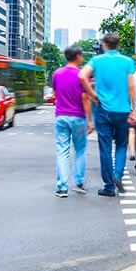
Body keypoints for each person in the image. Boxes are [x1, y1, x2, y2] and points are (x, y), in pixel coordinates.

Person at [79, 33, 136, 197]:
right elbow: (132, 87)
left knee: (105, 148)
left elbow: (82, 76)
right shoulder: (127, 61)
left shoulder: (97, 61)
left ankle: (109, 186)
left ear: (104, 44)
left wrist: (92, 94)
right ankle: (118, 174)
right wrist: (135, 109)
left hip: (103, 109)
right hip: (123, 109)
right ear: (117, 44)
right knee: (121, 145)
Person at [51, 45, 93, 198]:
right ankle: (79, 181)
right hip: (78, 117)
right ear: (78, 57)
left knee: (62, 151)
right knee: (80, 150)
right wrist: (90, 120)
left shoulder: (57, 73)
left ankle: (62, 187)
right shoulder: (82, 75)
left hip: (61, 116)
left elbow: (55, 94)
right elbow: (85, 98)